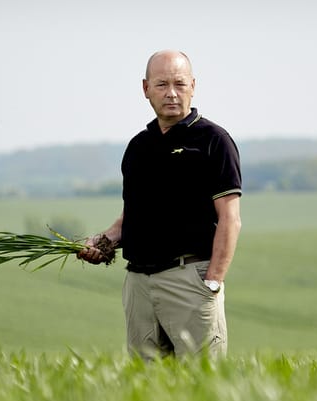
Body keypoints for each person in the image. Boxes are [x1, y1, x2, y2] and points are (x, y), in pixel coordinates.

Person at [78, 50, 242, 360]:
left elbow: (230, 220)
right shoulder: (139, 146)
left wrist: (213, 283)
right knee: (146, 385)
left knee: (202, 384)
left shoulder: (213, 140)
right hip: (138, 283)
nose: (171, 93)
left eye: (180, 84)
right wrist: (104, 241)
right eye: (162, 84)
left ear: (193, 86)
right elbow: (133, 216)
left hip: (189, 278)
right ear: (145, 89)